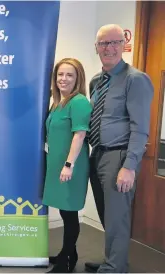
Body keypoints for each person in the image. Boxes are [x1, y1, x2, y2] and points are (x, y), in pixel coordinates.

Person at [85, 24, 153, 273]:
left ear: (123, 45)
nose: (108, 48)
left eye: (114, 42)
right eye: (103, 43)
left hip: (119, 156)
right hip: (98, 154)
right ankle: (111, 260)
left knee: (118, 218)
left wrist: (129, 166)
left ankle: (115, 268)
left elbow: (140, 128)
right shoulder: (96, 81)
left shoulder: (135, 80)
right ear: (96, 48)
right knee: (107, 215)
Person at [43, 58, 92, 273]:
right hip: (57, 164)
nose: (63, 79)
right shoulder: (58, 103)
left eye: (69, 75)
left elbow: (79, 134)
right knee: (64, 211)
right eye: (60, 74)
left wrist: (69, 164)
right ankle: (67, 253)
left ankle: (68, 260)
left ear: (77, 78)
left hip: (71, 166)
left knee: (70, 213)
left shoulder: (79, 101)